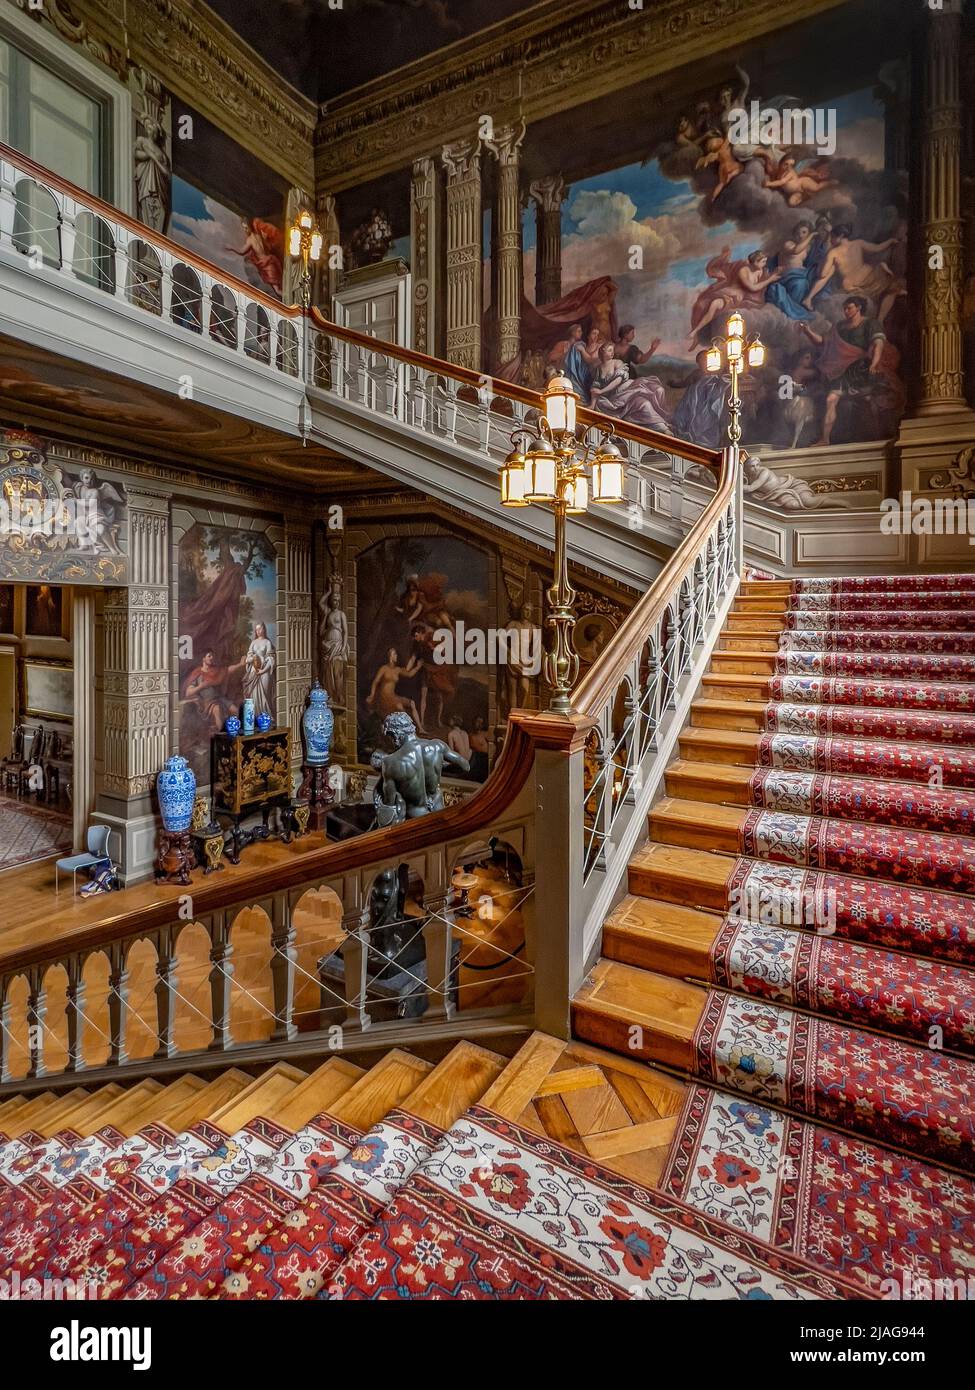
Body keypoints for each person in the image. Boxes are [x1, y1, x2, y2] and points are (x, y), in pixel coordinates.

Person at [799, 295, 899, 445]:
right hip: (841, 370)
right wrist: (807, 331)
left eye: (849, 308)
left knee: (871, 398)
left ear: (858, 308)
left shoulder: (870, 324)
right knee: (830, 399)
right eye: (844, 308)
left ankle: (880, 432)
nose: (846, 311)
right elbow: (822, 342)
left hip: (862, 368)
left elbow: (878, 344)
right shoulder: (840, 327)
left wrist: (875, 363)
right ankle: (825, 439)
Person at [372, 712, 470, 823]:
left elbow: (389, 806)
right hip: (439, 812)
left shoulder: (390, 762)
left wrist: (378, 796)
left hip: (417, 822)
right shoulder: (437, 746)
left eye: (390, 737)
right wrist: (440, 765)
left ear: (395, 734)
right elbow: (465, 766)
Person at [802, 225, 905, 324]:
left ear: (841, 236)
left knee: (892, 286)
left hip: (856, 283)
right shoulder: (858, 243)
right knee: (892, 288)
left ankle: (808, 298)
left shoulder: (833, 252)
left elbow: (822, 274)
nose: (830, 240)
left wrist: (827, 255)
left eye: (832, 237)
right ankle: (880, 320)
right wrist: (890, 241)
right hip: (870, 277)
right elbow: (877, 248)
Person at [589, 343, 673, 431]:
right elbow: (595, 388)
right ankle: (661, 428)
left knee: (656, 390)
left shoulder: (617, 362)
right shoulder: (599, 369)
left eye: (613, 351)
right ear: (602, 351)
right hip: (615, 397)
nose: (612, 353)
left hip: (626, 389)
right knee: (644, 404)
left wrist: (602, 391)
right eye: (609, 350)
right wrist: (592, 405)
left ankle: (663, 427)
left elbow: (618, 381)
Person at [366, 647, 423, 727]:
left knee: (412, 703)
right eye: (394, 654)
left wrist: (417, 667)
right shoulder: (384, 668)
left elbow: (409, 674)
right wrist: (372, 694)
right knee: (400, 708)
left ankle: (420, 728)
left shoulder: (397, 669)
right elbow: (375, 682)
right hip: (384, 696)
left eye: (396, 654)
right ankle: (408, 731)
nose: (396, 656)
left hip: (392, 696)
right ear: (390, 656)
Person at [241, 622, 277, 721]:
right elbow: (248, 658)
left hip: (264, 671)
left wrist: (263, 671)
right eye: (256, 629)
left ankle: (266, 717)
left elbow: (271, 659)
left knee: (265, 694)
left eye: (260, 629)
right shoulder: (253, 642)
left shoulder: (267, 642)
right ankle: (255, 717)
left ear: (264, 629)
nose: (258, 631)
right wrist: (251, 659)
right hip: (254, 670)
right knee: (254, 695)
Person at [470, 716, 491, 782]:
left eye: (481, 723)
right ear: (474, 722)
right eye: (478, 722)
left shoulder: (485, 734)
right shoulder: (470, 735)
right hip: (476, 758)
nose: (479, 724)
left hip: (485, 758)